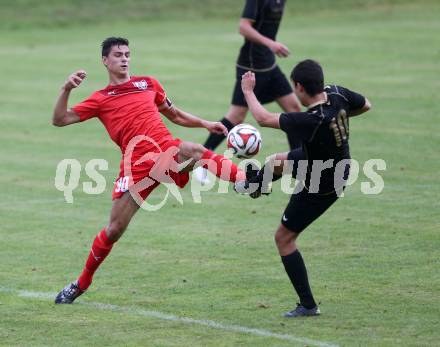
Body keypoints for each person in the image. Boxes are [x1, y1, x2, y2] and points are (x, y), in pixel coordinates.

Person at [52, 37, 246, 304]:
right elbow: (60, 120)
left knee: (195, 151)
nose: (124, 58)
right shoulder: (100, 99)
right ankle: (80, 284)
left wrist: (205, 123)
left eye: (127, 54)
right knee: (113, 230)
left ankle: (246, 180)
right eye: (118, 54)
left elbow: (175, 115)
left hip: (166, 151)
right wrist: (66, 89)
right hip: (136, 166)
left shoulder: (148, 84)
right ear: (105, 61)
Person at [237, 59, 371, 317]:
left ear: (298, 87)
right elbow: (366, 104)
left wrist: (248, 91)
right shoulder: (337, 94)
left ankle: (308, 305)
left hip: (323, 182)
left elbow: (263, 118)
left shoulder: (312, 120)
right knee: (277, 161)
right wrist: (339, 120)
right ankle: (256, 185)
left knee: (284, 239)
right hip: (330, 161)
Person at [194, 0, 301, 185]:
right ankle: (203, 160)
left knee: (294, 109)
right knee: (236, 116)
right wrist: (271, 44)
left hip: (270, 66)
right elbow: (243, 27)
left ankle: (299, 164)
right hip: (250, 66)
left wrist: (270, 47)